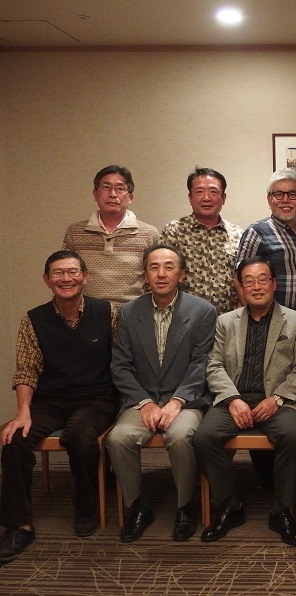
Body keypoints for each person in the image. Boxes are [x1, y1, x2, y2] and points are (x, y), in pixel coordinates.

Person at [0, 252, 118, 564]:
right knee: (13, 440)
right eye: (57, 273)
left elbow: (123, 362)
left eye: (72, 272)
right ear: (47, 280)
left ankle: (86, 504)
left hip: (97, 398)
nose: (66, 279)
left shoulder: (108, 312)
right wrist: (22, 412)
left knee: (80, 437)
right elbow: (26, 371)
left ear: (85, 277)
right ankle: (18, 525)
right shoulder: (33, 319)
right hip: (50, 399)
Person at [194, 257, 296, 546]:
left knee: (291, 435)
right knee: (203, 437)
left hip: (279, 400)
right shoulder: (226, 322)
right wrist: (232, 399)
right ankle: (229, 506)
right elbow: (214, 365)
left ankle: (282, 510)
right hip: (234, 398)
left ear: (274, 284)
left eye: (263, 279)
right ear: (240, 286)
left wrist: (277, 398)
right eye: (249, 281)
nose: (256, 286)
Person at [107, 244, 217, 543]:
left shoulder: (203, 311)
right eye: (154, 267)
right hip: (142, 399)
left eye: (169, 267)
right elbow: (120, 366)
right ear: (145, 275)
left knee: (180, 436)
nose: (161, 273)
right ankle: (138, 506)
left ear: (182, 275)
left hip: (186, 399)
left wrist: (177, 401)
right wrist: (144, 402)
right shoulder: (129, 312)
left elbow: (202, 363)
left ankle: (185, 507)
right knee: (118, 439)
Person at [62, 165, 159, 306]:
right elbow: (65, 277)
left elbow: (155, 280)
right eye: (106, 187)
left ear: (130, 197)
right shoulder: (75, 232)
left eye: (120, 188)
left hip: (132, 313)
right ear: (95, 194)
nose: (112, 194)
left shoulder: (149, 234)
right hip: (87, 312)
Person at [236, 168, 296, 326]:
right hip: (270, 320)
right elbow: (239, 276)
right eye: (278, 194)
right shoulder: (257, 232)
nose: (285, 200)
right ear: (269, 200)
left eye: (293, 194)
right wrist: (254, 319)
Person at [160, 167, 243, 314]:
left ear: (223, 198)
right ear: (190, 197)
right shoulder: (174, 231)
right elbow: (162, 275)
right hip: (183, 318)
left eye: (213, 192)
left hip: (226, 319)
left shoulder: (238, 234)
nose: (206, 198)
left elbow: (243, 279)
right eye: (199, 192)